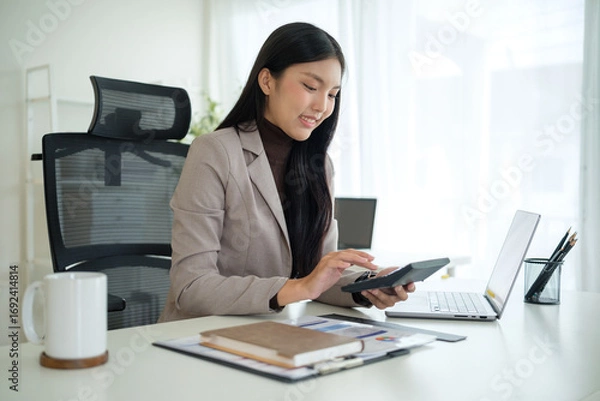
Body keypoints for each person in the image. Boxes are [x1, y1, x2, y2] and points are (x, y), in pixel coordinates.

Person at [159, 22, 415, 322]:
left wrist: (367, 285)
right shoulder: (215, 152)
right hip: (200, 338)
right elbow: (191, 288)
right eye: (310, 87)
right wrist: (299, 287)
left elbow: (319, 274)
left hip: (271, 333)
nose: (322, 106)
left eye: (332, 94)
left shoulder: (319, 165)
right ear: (267, 82)